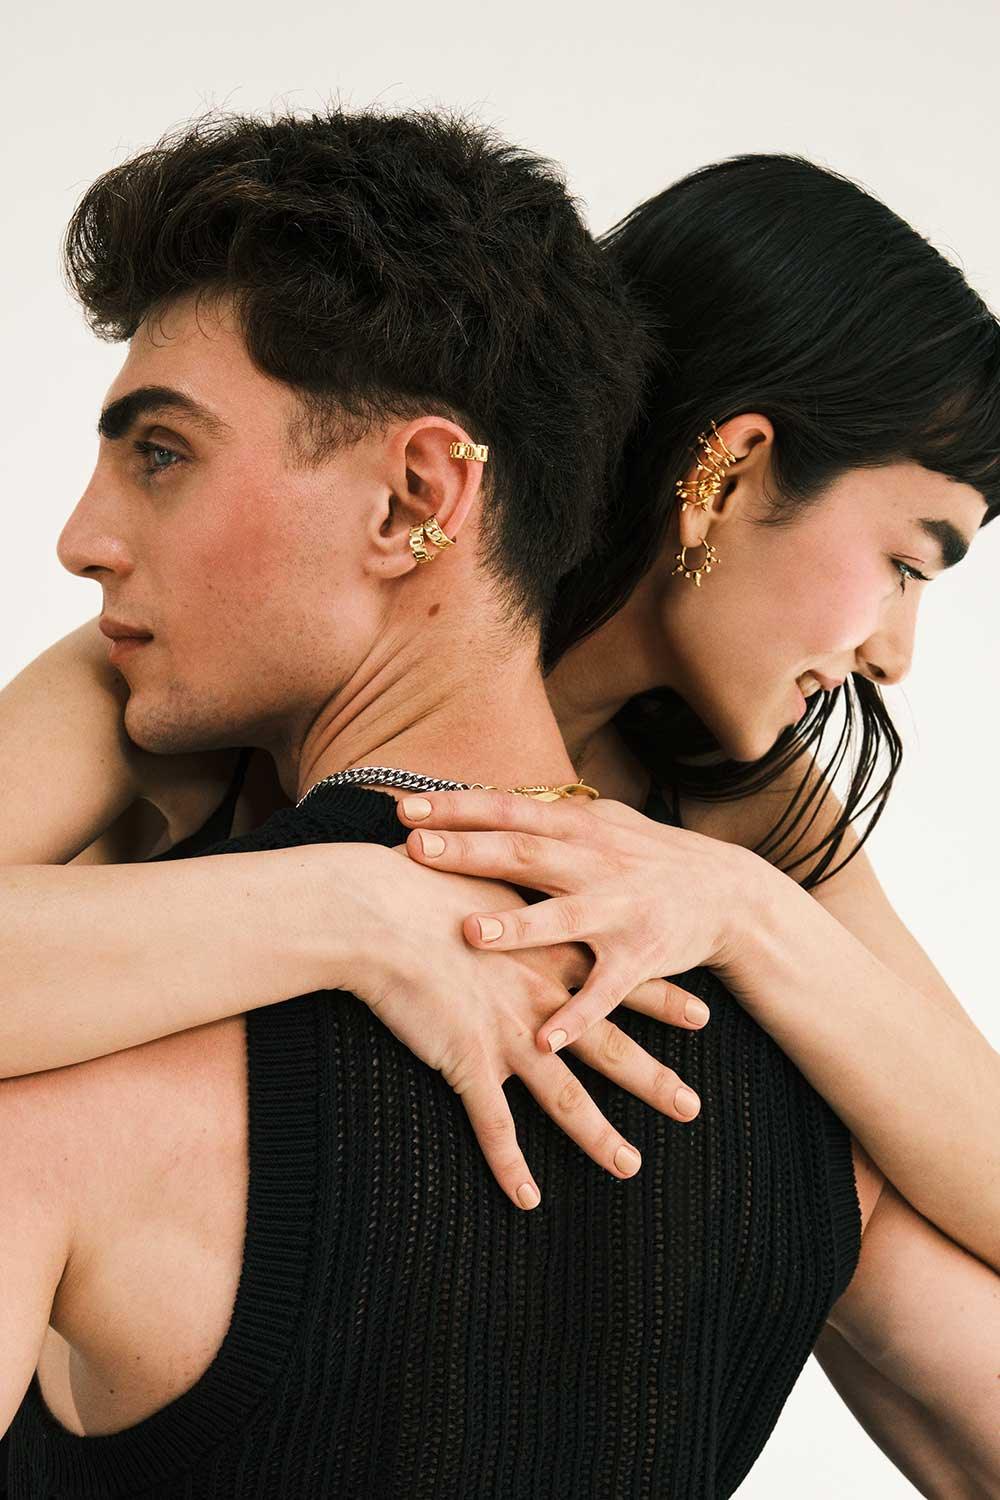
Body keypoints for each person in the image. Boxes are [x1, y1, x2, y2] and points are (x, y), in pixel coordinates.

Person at [0, 121, 997, 1493]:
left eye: (164, 455)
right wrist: (352, 905)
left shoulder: (744, 810)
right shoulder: (198, 660)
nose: (894, 651)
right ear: (727, 471)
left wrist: (755, 915)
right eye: (905, 563)